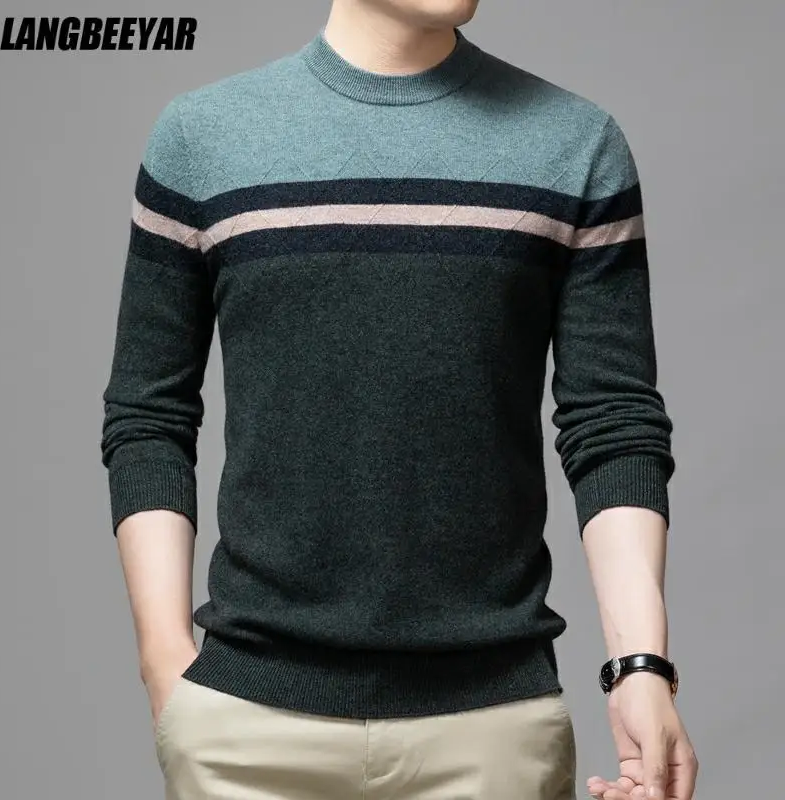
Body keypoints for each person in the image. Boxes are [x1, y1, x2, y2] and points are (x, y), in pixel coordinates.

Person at [99, 1, 698, 798]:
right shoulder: (202, 139)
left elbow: (613, 424)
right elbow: (149, 415)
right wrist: (163, 661)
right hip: (245, 730)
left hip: (493, 734)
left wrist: (641, 667)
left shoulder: (576, 146)